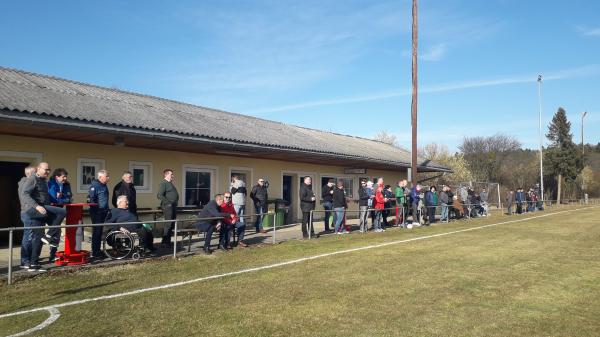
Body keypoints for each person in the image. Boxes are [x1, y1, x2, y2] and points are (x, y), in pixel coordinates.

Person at [19, 162, 66, 271]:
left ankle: (33, 263)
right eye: (46, 169)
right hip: (35, 209)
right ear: (38, 169)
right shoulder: (33, 179)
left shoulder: (43, 181)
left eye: (49, 170)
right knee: (62, 212)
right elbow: (24, 194)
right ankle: (49, 235)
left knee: (38, 237)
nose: (48, 172)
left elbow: (45, 196)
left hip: (43, 209)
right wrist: (36, 206)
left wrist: (59, 199)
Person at [47, 168, 72, 263]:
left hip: (60, 211)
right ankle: (35, 258)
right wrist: (61, 199)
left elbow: (69, 198)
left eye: (66, 176)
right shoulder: (51, 183)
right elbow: (52, 199)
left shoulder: (66, 184)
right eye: (63, 176)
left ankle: (52, 255)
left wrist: (61, 199)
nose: (65, 178)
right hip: (51, 211)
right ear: (57, 177)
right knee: (52, 232)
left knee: (57, 232)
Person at [88, 170, 110, 260]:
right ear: (100, 177)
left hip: (103, 212)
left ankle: (98, 250)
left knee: (100, 232)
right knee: (96, 232)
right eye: (107, 176)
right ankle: (95, 252)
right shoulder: (95, 186)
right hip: (97, 212)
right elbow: (91, 199)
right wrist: (98, 210)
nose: (108, 178)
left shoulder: (104, 185)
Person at [18, 166, 35, 269]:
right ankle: (25, 260)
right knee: (28, 235)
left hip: (28, 212)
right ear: (29, 174)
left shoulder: (27, 182)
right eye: (35, 173)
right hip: (28, 212)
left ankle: (29, 258)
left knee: (31, 235)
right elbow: (26, 198)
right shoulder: (25, 183)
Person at [157, 169, 179, 246]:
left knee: (171, 224)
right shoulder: (164, 183)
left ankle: (167, 241)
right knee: (168, 224)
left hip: (173, 206)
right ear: (166, 175)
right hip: (168, 206)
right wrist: (168, 203)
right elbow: (159, 195)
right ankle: (165, 242)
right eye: (171, 174)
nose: (173, 176)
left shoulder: (170, 183)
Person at [230, 176, 247, 247]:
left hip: (237, 203)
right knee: (242, 219)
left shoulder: (236, 183)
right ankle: (240, 237)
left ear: (234, 179)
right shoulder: (243, 183)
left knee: (235, 218)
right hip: (242, 203)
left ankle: (235, 232)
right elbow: (245, 193)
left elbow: (232, 191)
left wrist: (231, 185)